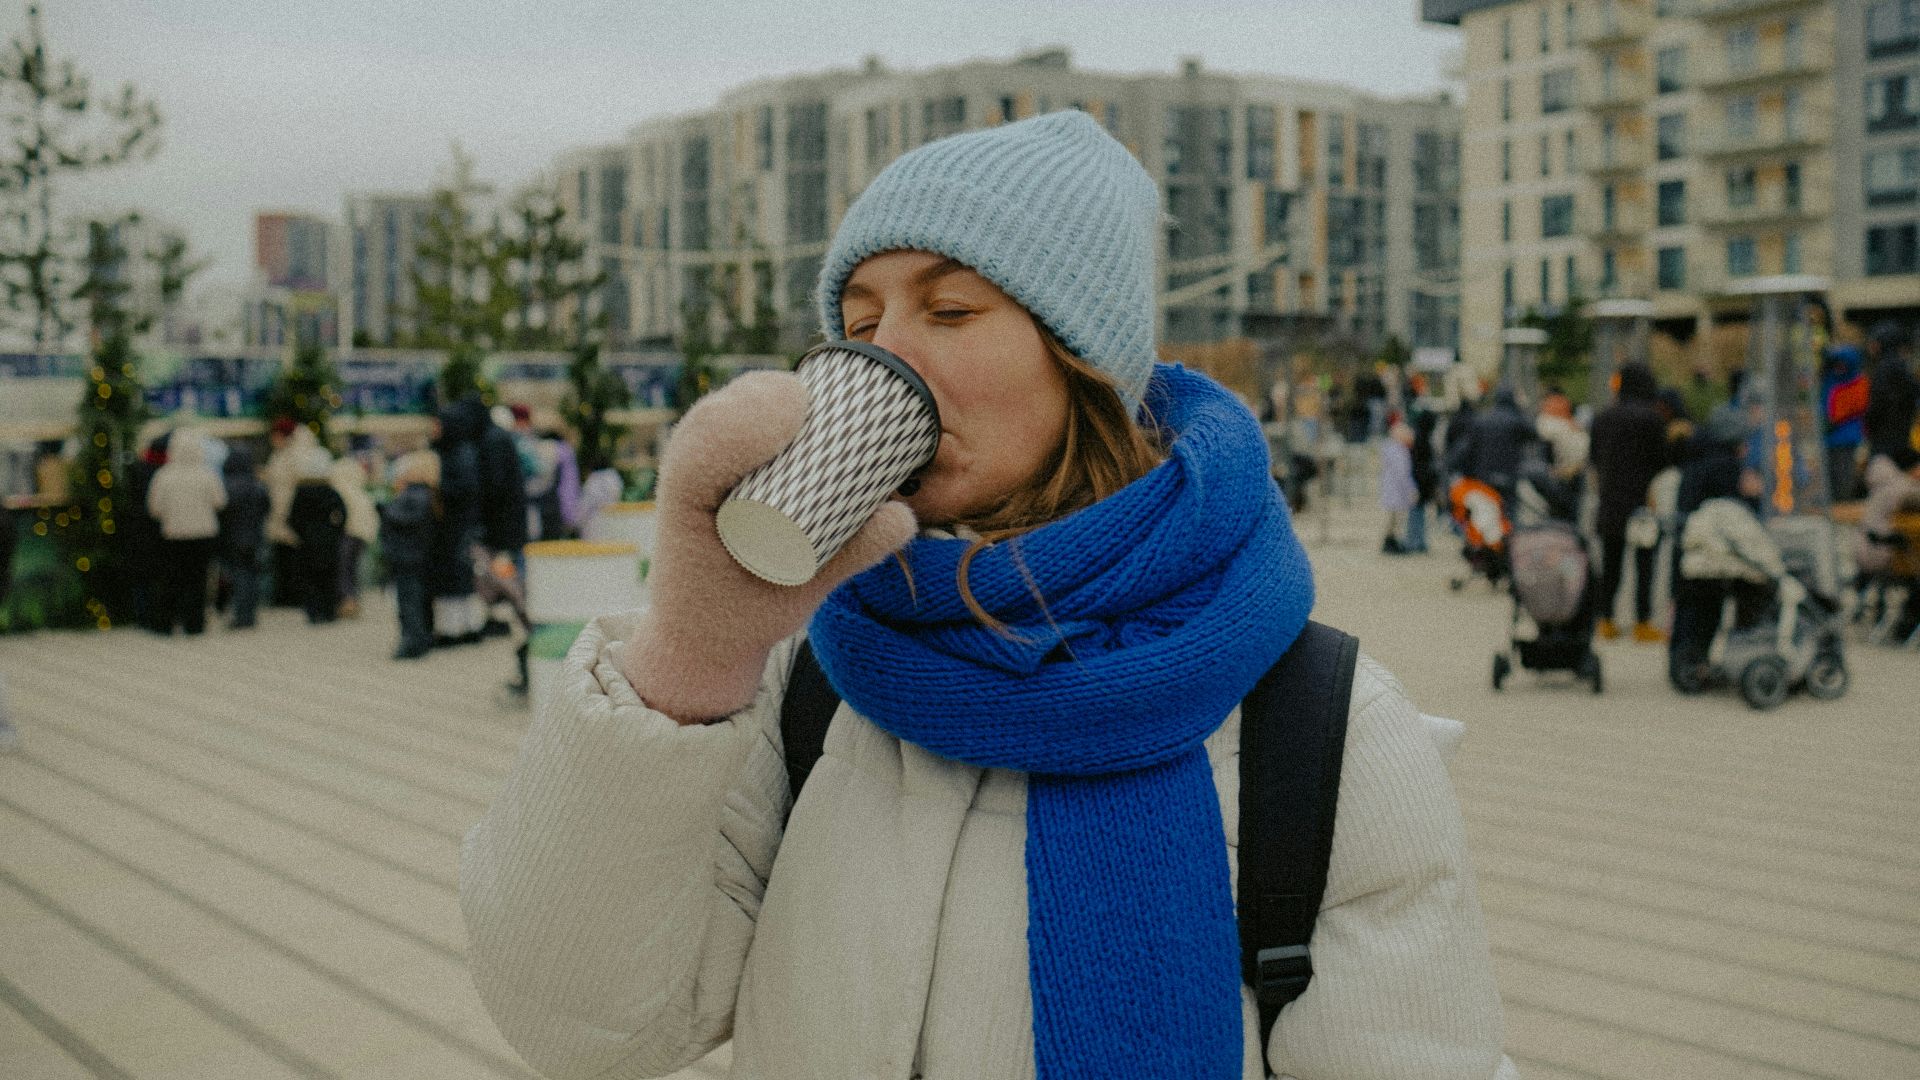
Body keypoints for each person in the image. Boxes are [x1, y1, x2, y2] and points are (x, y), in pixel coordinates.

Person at [461, 111, 1517, 1080]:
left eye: (951, 309)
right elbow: (583, 1027)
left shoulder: (1325, 727)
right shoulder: (810, 675)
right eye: (859, 324)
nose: (888, 357)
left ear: (1084, 362)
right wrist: (685, 662)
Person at [1588, 363, 1671, 642]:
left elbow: (1594, 458)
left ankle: (1607, 619)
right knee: (1644, 566)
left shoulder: (1602, 418)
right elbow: (1662, 460)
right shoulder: (1652, 419)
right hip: (1642, 503)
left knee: (1611, 565)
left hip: (1610, 501)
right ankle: (1642, 622)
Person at [1858, 323, 1920, 636]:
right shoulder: (1904, 373)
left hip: (1886, 452)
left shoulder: (1882, 372)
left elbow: (1874, 413)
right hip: (1893, 556)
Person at [146, 430, 227, 635]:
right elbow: (220, 501)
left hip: (173, 534)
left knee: (173, 579)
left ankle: (168, 623)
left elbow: (154, 507)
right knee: (198, 580)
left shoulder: (163, 475)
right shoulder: (207, 474)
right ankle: (195, 624)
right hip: (203, 534)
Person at [430, 399, 485, 645]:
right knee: (459, 576)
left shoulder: (458, 453)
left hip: (456, 526)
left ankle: (455, 629)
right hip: (458, 525)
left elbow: (463, 489)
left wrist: (438, 489)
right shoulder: (461, 450)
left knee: (455, 577)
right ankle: (464, 626)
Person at [380, 450, 439, 660]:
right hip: (414, 556)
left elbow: (397, 518)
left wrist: (387, 505)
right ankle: (419, 638)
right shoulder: (426, 495)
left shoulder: (414, 495)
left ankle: (413, 640)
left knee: (409, 601)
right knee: (416, 599)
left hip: (407, 557)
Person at [287, 447, 346, 625]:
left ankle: (314, 612)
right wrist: (335, 531)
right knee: (328, 577)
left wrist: (302, 533)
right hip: (327, 539)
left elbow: (292, 517)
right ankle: (328, 611)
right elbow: (342, 512)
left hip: (307, 541)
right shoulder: (330, 491)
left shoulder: (301, 492)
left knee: (309, 578)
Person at [262, 417, 317, 607]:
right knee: (282, 557)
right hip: (279, 514)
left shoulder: (298, 454)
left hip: (291, 514)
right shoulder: (280, 454)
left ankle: (295, 596)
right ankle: (284, 595)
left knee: (293, 557)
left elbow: (299, 484)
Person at [217, 444, 269, 630]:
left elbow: (221, 513)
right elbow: (266, 508)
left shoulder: (226, 486)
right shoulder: (257, 486)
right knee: (252, 575)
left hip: (233, 537)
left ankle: (241, 615)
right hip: (255, 536)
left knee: (238, 576)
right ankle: (249, 614)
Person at [330, 453, 380, 618]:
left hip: (348, 533)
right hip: (361, 535)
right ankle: (352, 601)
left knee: (344, 569)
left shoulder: (341, 490)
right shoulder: (360, 491)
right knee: (352, 570)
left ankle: (348, 602)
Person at [1820, 344, 1868, 503]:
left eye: (1842, 364)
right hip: (1829, 438)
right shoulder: (1831, 380)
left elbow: (1854, 406)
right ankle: (1834, 503)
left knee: (1844, 476)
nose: (1839, 367)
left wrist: (1833, 420)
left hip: (1846, 438)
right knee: (1831, 476)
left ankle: (1844, 503)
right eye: (1836, 364)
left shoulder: (1857, 382)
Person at [1379, 420, 1419, 554]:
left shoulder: (1392, 450)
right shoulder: (1398, 452)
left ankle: (1391, 542)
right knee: (1394, 520)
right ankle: (1391, 542)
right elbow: (1403, 474)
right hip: (1396, 491)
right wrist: (1411, 490)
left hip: (1393, 490)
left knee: (1393, 520)